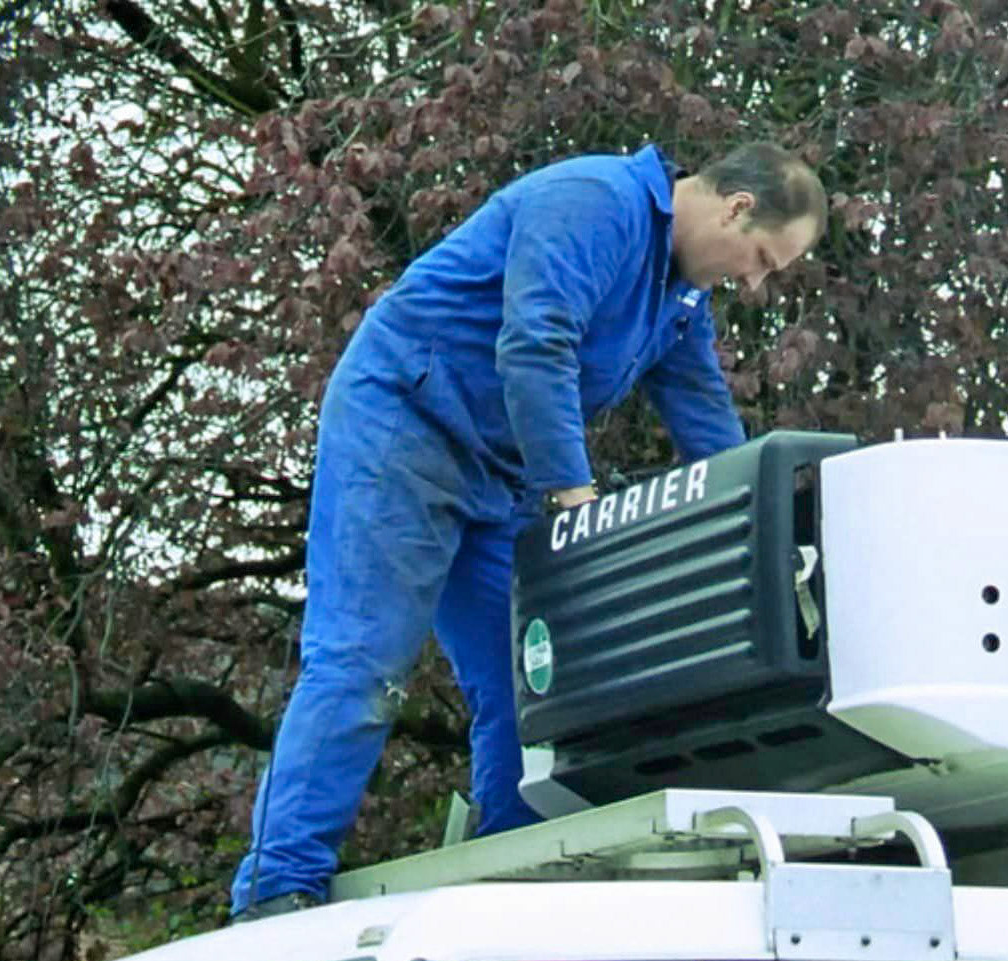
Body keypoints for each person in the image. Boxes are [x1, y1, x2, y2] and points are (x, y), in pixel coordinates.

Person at [230, 139, 827, 920]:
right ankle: (277, 886)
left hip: (495, 473)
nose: (753, 283)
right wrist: (572, 496)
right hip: (402, 430)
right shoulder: (595, 203)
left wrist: (769, 535)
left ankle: (520, 861)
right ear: (736, 206)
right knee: (365, 662)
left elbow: (706, 419)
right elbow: (535, 342)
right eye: (761, 261)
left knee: (530, 678)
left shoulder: (678, 300)